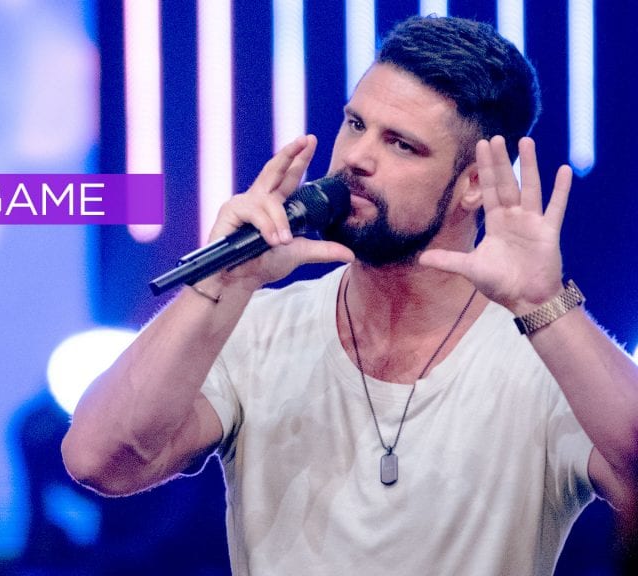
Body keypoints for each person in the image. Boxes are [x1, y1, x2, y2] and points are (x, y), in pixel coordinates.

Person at [61, 15, 637, 575]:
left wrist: (543, 306)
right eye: (356, 124)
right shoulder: (257, 326)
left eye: (401, 145)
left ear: (473, 185)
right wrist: (219, 283)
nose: (356, 157)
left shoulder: (546, 359)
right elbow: (99, 461)